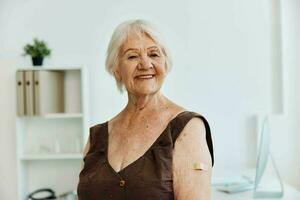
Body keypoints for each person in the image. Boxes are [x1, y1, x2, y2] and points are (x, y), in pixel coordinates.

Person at [77, 19, 214, 200]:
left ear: (165, 64)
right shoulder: (97, 136)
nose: (145, 64)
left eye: (154, 54)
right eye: (132, 56)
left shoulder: (188, 129)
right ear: (116, 69)